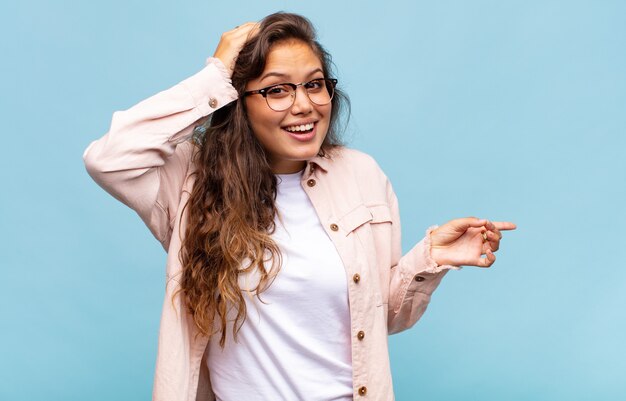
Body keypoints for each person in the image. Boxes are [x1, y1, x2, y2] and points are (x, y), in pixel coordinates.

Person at [83, 12, 516, 401]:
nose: (304, 104)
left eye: (314, 84)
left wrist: (430, 259)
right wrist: (214, 75)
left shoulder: (361, 176)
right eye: (277, 90)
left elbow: (380, 319)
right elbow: (109, 157)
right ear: (240, 101)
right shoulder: (191, 182)